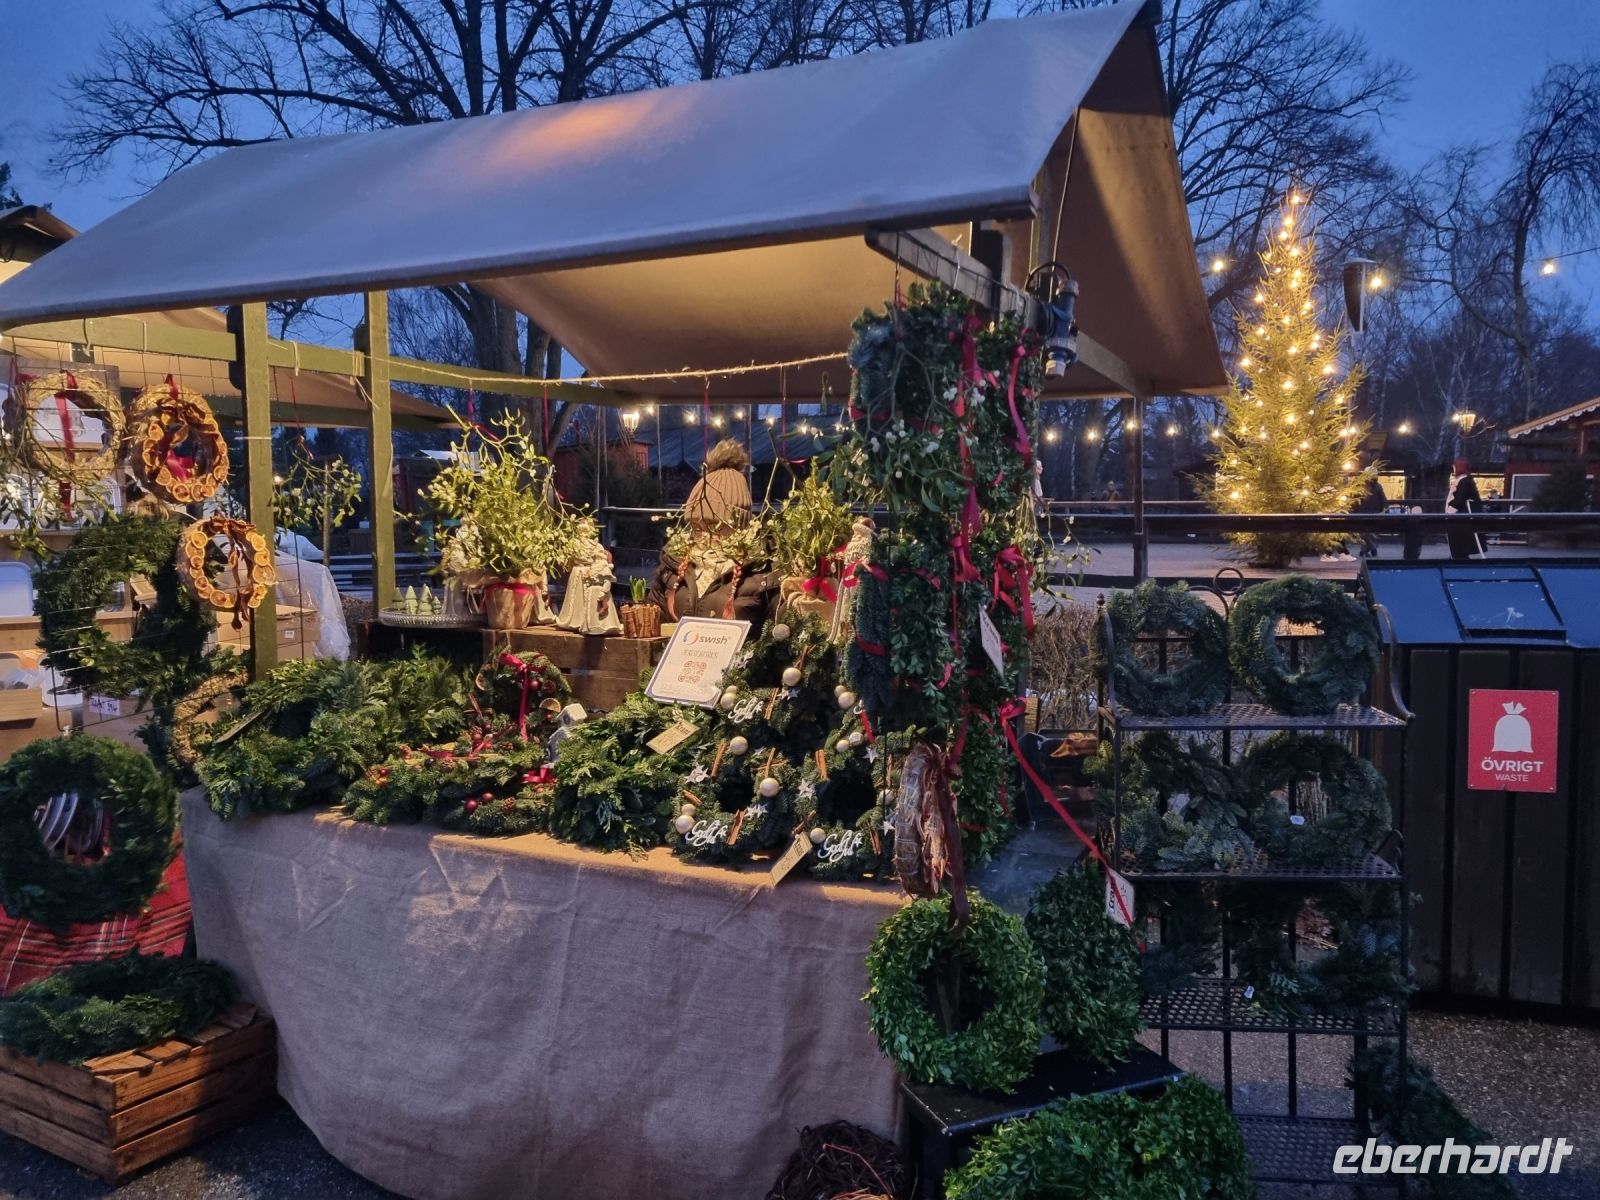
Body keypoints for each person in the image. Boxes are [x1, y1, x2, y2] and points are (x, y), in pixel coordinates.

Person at [1444, 457, 1485, 561]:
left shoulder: (1464, 481)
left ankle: (1459, 556)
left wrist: (1450, 511)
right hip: (1461, 517)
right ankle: (1458, 555)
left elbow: (1460, 498)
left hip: (1461, 518)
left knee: (1458, 536)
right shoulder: (1464, 480)